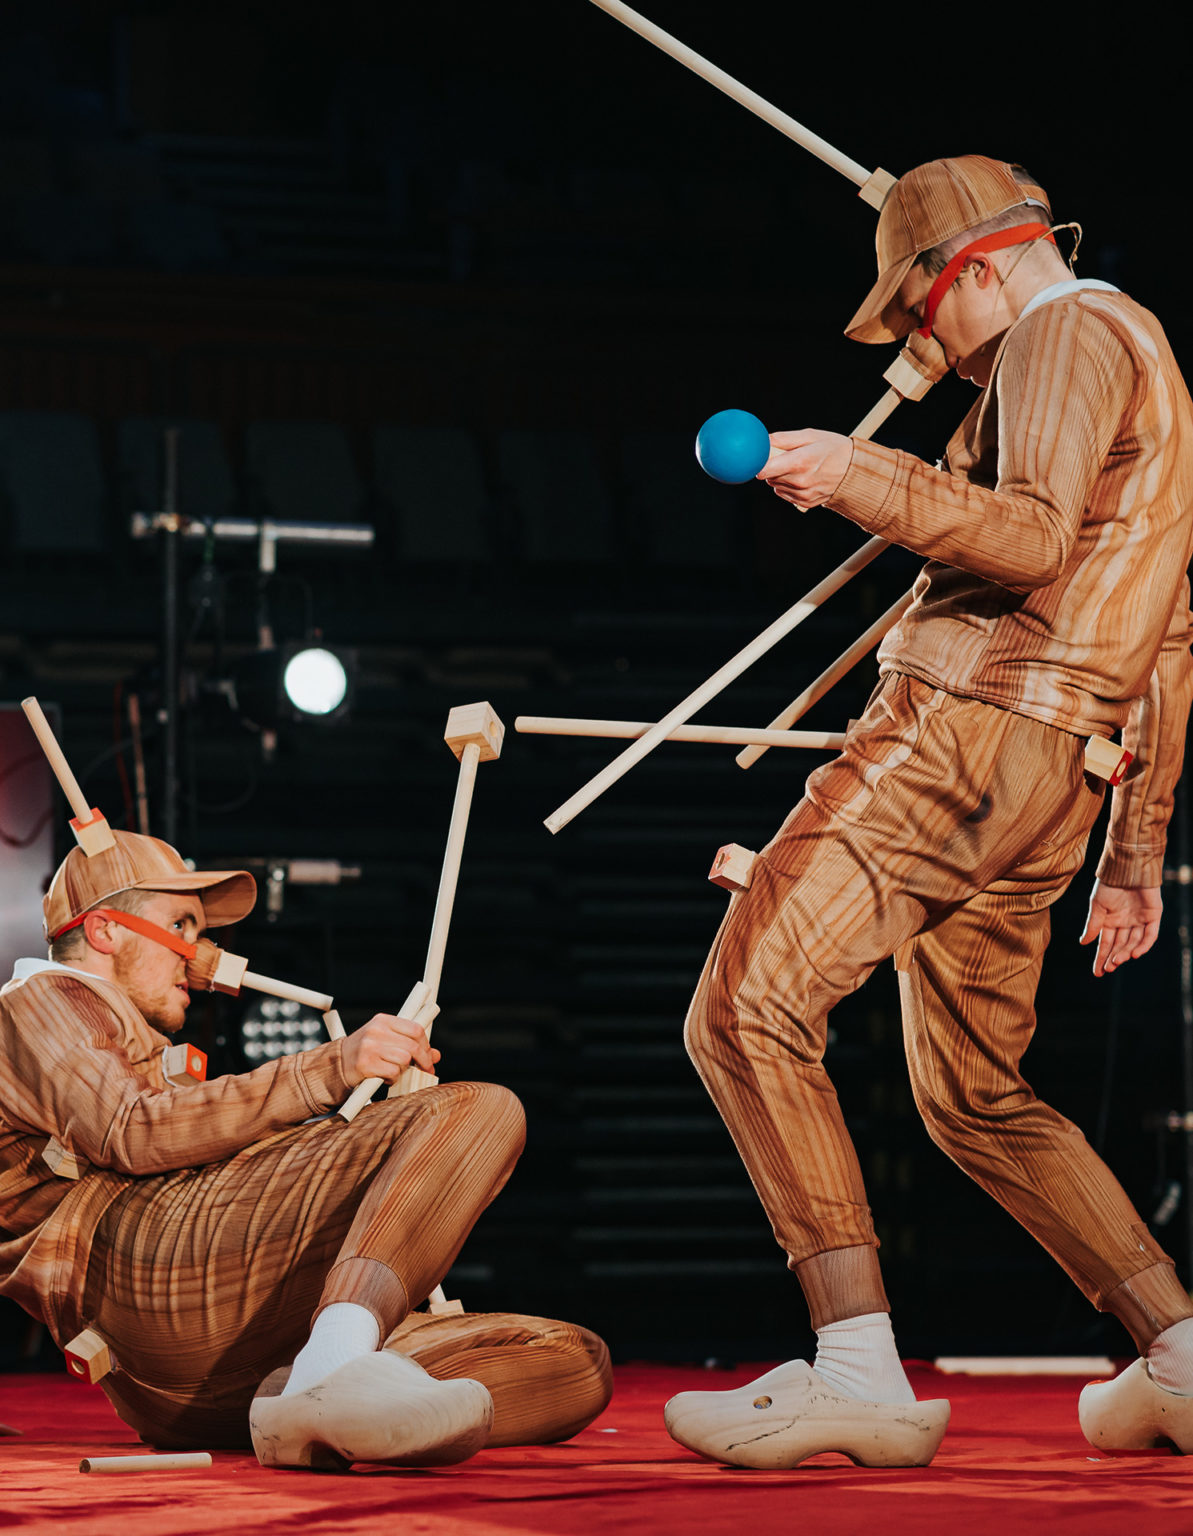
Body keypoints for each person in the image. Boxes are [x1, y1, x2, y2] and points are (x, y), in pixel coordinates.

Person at [665, 155, 1193, 1468]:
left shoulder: (1060, 331)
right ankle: (1181, 1353)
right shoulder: (1147, 354)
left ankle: (857, 1369)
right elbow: (1170, 634)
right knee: (970, 1094)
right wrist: (1135, 851)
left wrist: (855, 472)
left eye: (915, 313)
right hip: (1055, 775)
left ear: (974, 266)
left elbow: (1020, 541)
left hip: (962, 733)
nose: (922, 347)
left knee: (743, 1011)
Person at [0, 830, 611, 1469]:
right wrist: (333, 1071)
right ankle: (332, 1370)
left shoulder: (116, 1030)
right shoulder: (42, 998)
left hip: (203, 1369)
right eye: (181, 923)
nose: (201, 954)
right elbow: (132, 1131)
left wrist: (378, 1130)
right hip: (149, 1285)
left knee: (575, 1362)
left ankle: (303, 1396)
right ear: (104, 932)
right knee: (481, 1110)